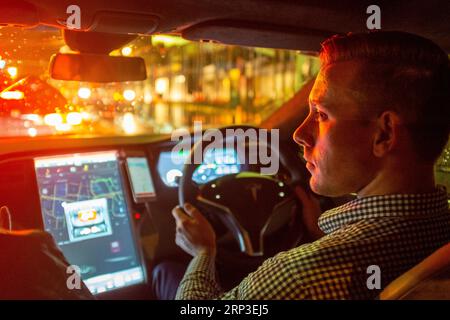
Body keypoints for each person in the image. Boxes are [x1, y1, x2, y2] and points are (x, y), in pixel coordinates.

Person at [170, 31, 450, 299]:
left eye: (321, 114)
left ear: (384, 134)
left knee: (162, 272)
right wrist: (318, 235)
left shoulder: (300, 276)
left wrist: (204, 252)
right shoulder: (440, 232)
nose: (299, 134)